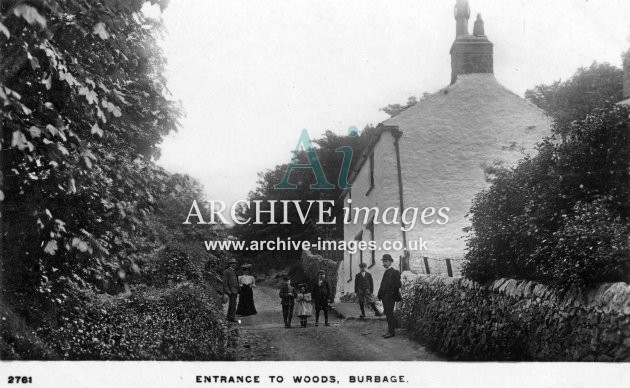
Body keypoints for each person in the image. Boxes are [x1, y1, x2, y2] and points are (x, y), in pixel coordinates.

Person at [377, 254, 401, 338]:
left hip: (390, 297)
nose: (384, 263)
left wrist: (391, 293)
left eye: (386, 261)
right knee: (387, 313)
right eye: (383, 261)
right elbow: (383, 285)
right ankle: (390, 331)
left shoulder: (395, 272)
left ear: (391, 262)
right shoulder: (386, 271)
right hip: (384, 297)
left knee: (390, 314)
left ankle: (392, 332)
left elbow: (398, 284)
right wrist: (380, 294)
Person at [222, 257, 239, 322]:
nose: (233, 264)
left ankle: (229, 317)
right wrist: (227, 290)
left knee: (232, 304)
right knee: (233, 304)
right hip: (231, 290)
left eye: (234, 263)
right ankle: (232, 318)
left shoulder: (234, 271)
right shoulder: (227, 271)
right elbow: (225, 282)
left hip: (235, 290)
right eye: (232, 263)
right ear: (229, 264)